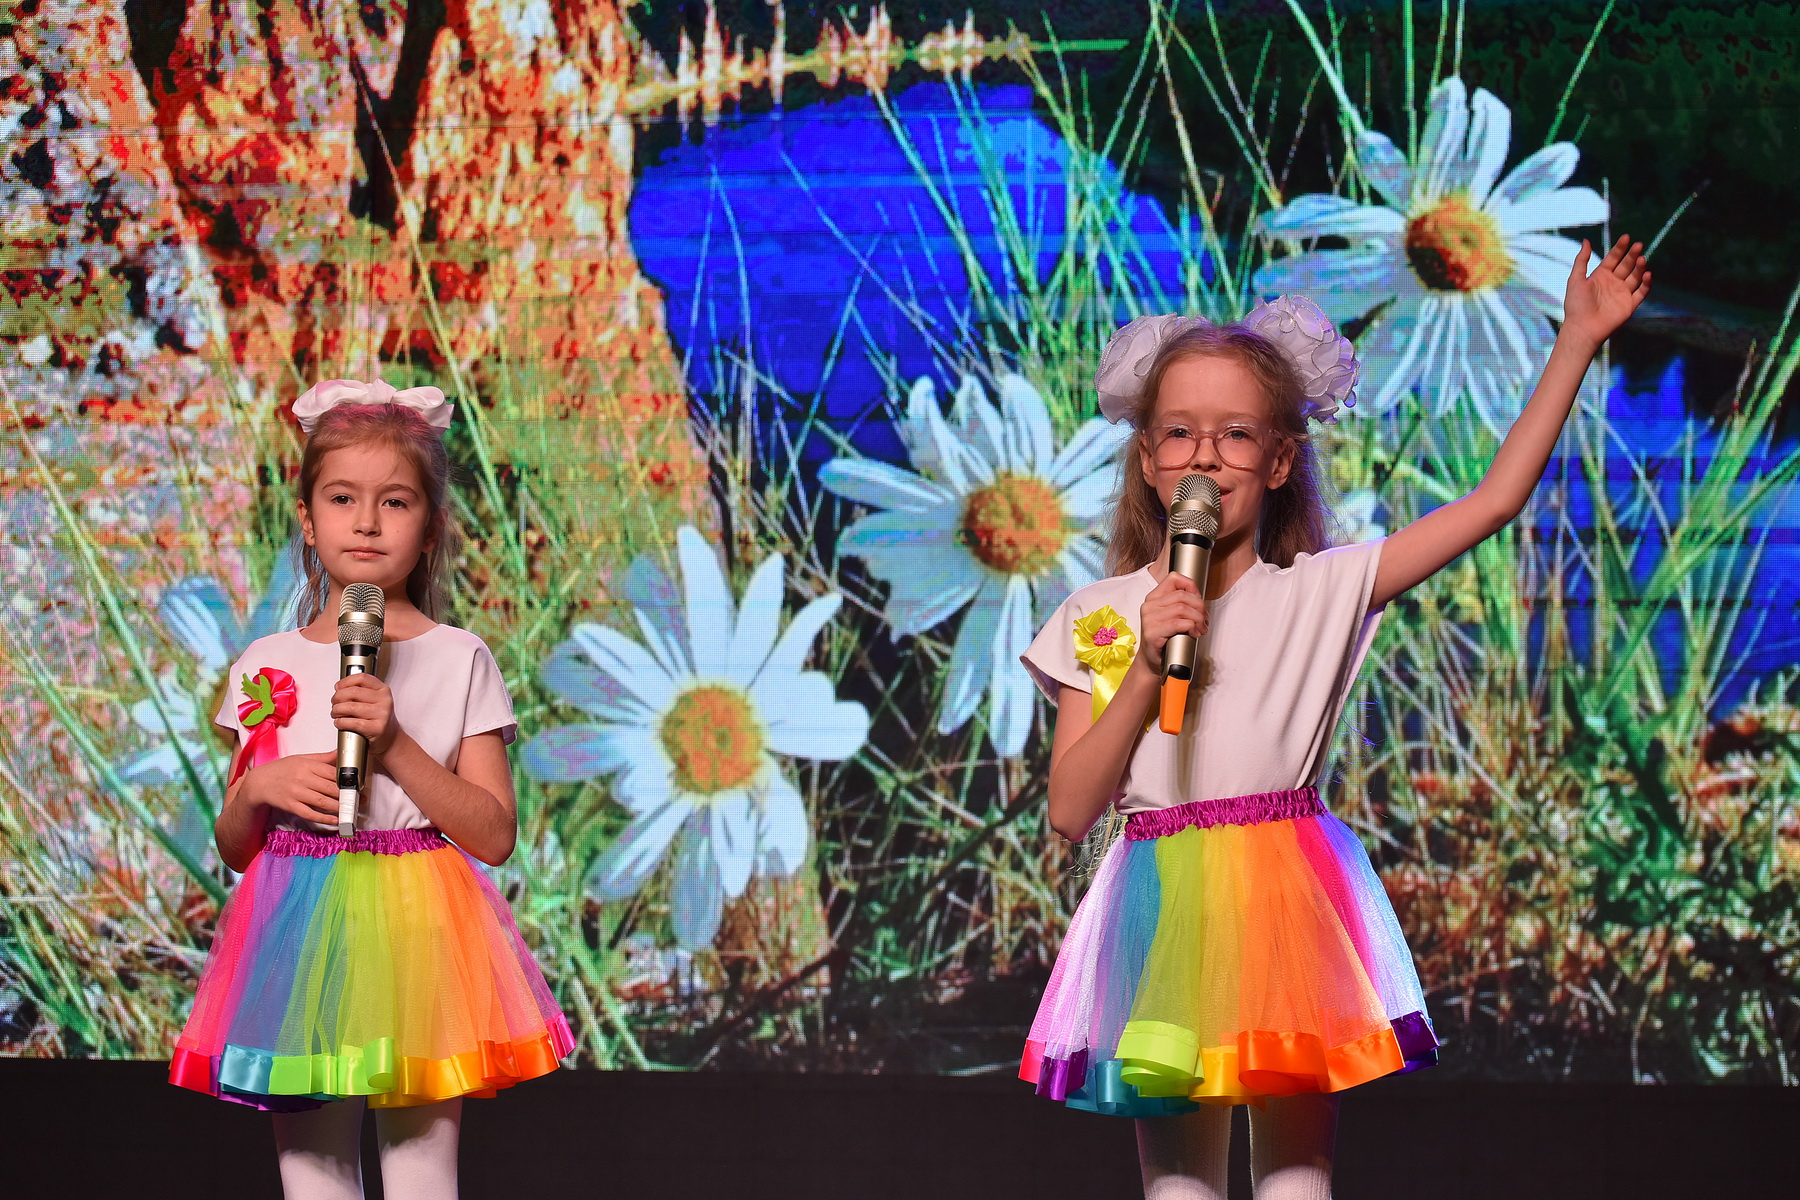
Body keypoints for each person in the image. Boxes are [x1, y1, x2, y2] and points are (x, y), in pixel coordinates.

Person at [1018, 237, 1651, 1198]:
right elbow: (1071, 809)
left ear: (1280, 461)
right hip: (1157, 911)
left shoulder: (1322, 589)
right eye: (1179, 432)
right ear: (1147, 459)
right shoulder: (1100, 616)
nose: (1205, 455)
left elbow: (1492, 502)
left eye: (1236, 435)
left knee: (1295, 1184)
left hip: (1286, 901)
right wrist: (1146, 667)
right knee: (1179, 1190)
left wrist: (1576, 341)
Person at [167, 380, 574, 1199]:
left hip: (419, 926)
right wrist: (259, 788)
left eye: (394, 502)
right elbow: (236, 847)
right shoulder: (266, 662)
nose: (365, 522)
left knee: (422, 1176)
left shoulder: (459, 657)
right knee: (312, 1176)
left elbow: (494, 834)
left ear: (430, 529)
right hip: (297, 925)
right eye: (342, 498)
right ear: (307, 520)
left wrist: (394, 747)